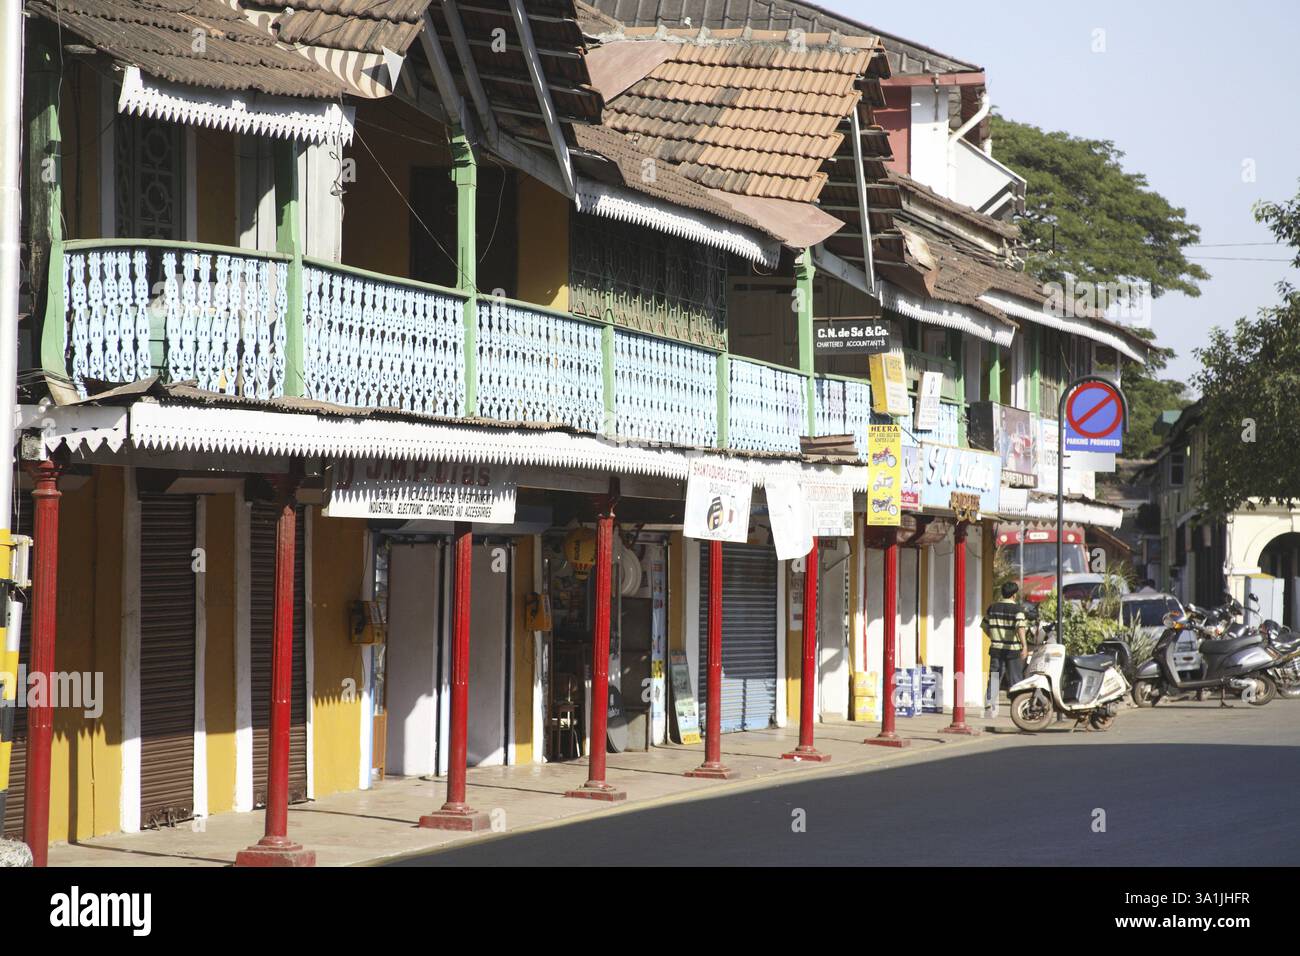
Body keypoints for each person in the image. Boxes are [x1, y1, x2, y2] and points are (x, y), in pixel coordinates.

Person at [983, 581, 1028, 719]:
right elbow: (1020, 628)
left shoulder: (992, 608)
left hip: (996, 649)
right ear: (1014, 595)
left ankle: (989, 707)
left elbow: (985, 626)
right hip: (1012, 649)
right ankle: (1018, 706)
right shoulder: (1018, 610)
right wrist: (1024, 645)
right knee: (1016, 679)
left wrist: (994, 636)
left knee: (995, 676)